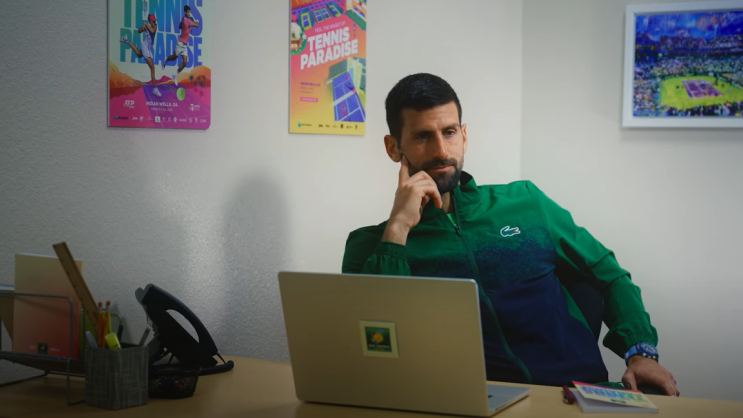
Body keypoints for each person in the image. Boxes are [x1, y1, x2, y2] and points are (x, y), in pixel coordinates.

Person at [342, 73, 679, 396]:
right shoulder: (371, 246)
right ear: (393, 148)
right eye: (422, 136)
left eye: (449, 132)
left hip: (573, 396)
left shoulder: (524, 203)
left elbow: (610, 275)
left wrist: (640, 353)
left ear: (464, 136)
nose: (441, 150)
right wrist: (398, 228)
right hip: (462, 402)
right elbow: (373, 346)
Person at [120, 13, 161, 97]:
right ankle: (155, 89)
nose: (154, 22)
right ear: (150, 21)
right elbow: (139, 31)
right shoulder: (147, 26)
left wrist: (146, 25)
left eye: (155, 21)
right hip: (145, 47)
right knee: (152, 67)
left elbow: (152, 31)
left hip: (148, 48)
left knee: (139, 54)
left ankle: (126, 41)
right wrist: (143, 27)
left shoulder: (154, 26)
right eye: (153, 21)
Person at [161, 5, 199, 87]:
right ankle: (165, 59)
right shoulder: (187, 20)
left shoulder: (183, 19)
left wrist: (187, 29)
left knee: (184, 63)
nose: (189, 14)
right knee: (174, 57)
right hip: (180, 43)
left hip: (184, 45)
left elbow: (179, 26)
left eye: (190, 12)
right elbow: (196, 25)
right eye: (188, 12)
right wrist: (197, 21)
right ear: (185, 12)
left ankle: (175, 74)